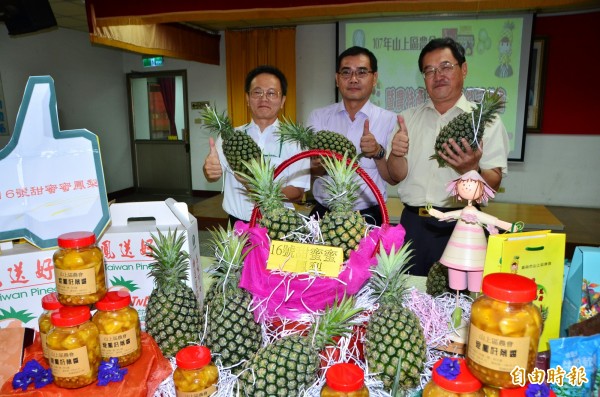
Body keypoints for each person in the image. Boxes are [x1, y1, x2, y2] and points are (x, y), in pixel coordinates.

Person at [387, 37, 509, 276]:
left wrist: (470, 169)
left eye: (445, 67)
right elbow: (396, 174)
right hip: (412, 224)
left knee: (458, 302)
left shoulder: (486, 120)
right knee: (407, 298)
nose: (438, 75)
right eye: (429, 70)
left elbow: (493, 183)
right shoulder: (407, 118)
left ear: (463, 69)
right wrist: (396, 153)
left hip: (462, 225)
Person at [203, 65, 311, 225]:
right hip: (237, 224)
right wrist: (209, 171)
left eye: (272, 93)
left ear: (282, 101)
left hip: (279, 224)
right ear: (247, 98)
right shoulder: (229, 137)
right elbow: (212, 175)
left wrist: (262, 191)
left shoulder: (296, 141)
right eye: (257, 92)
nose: (264, 98)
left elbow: (297, 192)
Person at [307, 46, 399, 226]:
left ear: (375, 79)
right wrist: (321, 164)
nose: (353, 79)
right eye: (346, 72)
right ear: (337, 79)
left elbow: (393, 178)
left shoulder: (390, 120)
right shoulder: (318, 117)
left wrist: (378, 152)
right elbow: (311, 171)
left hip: (369, 215)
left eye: (362, 72)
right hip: (324, 213)